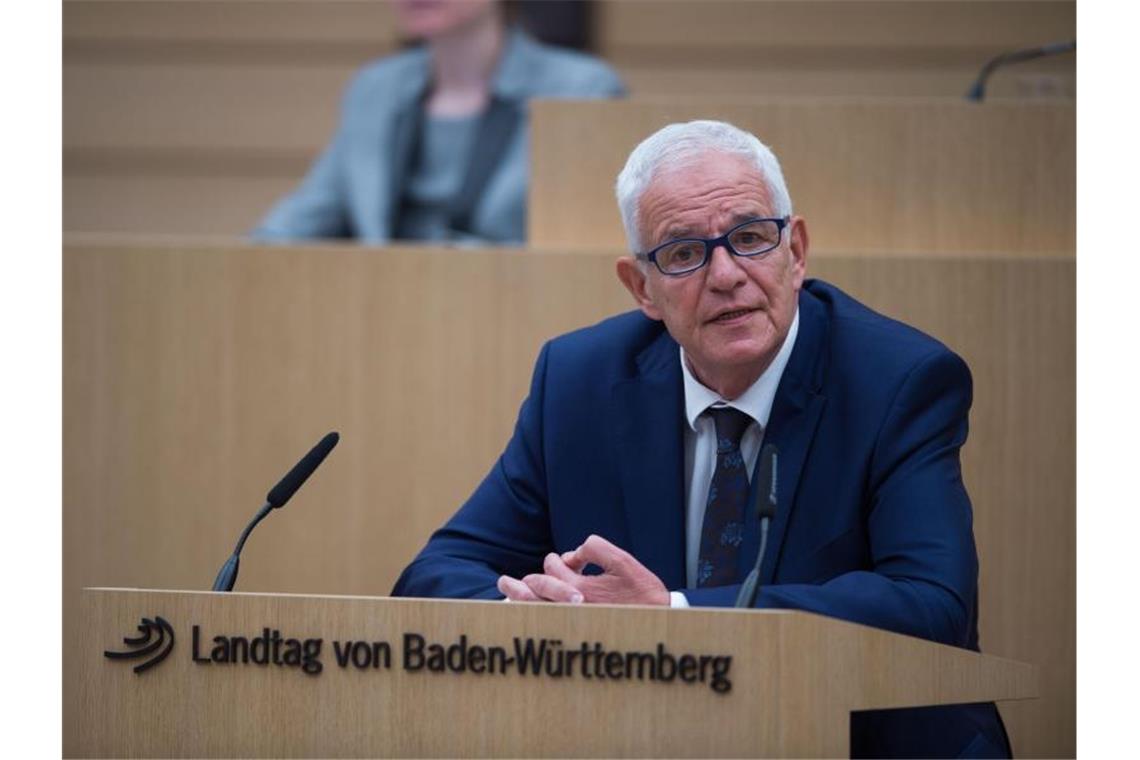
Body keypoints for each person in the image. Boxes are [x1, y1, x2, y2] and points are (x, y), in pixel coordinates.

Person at [392, 120, 1012, 758]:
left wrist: (672, 617)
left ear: (795, 252)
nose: (725, 275)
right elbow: (436, 576)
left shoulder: (897, 381)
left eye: (748, 238)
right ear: (643, 289)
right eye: (684, 252)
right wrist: (546, 613)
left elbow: (932, 605)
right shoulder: (581, 382)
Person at [254, 0, 625, 244]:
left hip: (513, 315)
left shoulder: (583, 88)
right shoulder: (375, 89)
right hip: (379, 314)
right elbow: (309, 213)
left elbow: (583, 243)